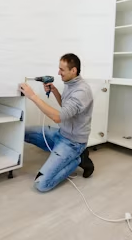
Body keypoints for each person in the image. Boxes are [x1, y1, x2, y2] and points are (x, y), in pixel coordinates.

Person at [19, 53, 95, 192]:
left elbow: (58, 117)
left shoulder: (81, 91)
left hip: (72, 143)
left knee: (41, 184)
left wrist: (33, 96)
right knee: (22, 133)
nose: (58, 73)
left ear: (74, 70)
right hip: (60, 134)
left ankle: (78, 158)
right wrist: (54, 90)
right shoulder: (70, 83)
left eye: (62, 70)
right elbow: (66, 108)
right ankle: (62, 155)